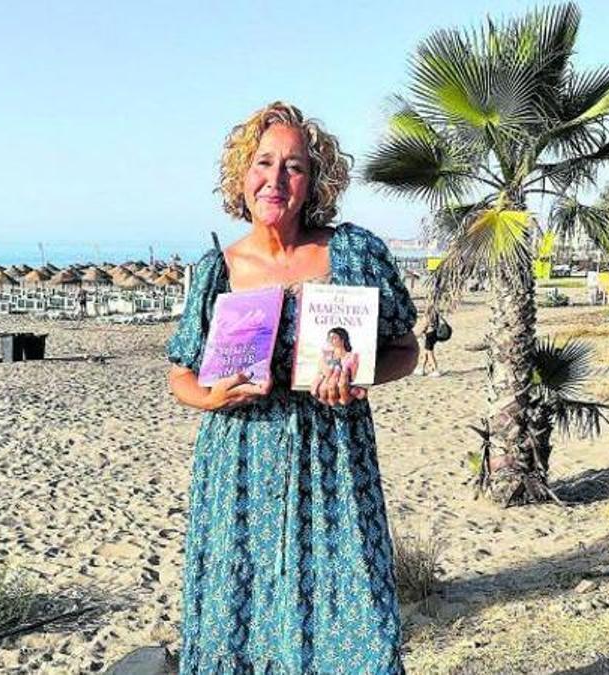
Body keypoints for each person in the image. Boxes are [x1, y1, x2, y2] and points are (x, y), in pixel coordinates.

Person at [165, 102, 419, 674]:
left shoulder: (353, 254)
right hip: (238, 469)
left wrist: (359, 375)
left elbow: (405, 348)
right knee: (243, 621)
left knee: (355, 618)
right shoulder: (217, 269)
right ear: (242, 175)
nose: (276, 179)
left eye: (294, 166)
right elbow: (180, 372)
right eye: (263, 163)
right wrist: (208, 396)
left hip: (332, 463)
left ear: (314, 181)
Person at [310, 327, 360, 398]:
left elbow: (353, 378)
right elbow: (320, 373)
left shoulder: (352, 356)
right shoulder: (325, 356)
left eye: (334, 338)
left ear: (342, 340)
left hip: (344, 387)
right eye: (329, 338)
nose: (331, 341)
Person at [415, 309, 442, 377]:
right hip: (434, 333)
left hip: (429, 334)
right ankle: (422, 369)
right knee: (426, 352)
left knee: (429, 353)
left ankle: (435, 370)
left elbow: (425, 324)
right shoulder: (436, 312)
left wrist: (418, 334)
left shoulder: (429, 312)